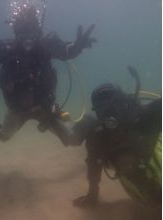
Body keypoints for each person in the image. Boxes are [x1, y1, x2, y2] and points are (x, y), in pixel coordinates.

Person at [0, 4, 96, 161]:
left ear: (38, 32)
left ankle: (92, 120)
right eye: (22, 34)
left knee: (72, 139)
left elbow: (66, 50)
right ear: (16, 32)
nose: (27, 41)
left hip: (46, 107)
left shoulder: (47, 45)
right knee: (4, 136)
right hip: (18, 110)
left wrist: (77, 46)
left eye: (31, 34)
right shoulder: (7, 47)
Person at [68, 69, 161, 212]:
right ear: (97, 112)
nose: (110, 111)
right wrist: (92, 195)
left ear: (125, 103)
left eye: (114, 103)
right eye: (102, 107)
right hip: (139, 185)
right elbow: (94, 162)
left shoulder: (143, 116)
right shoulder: (98, 136)